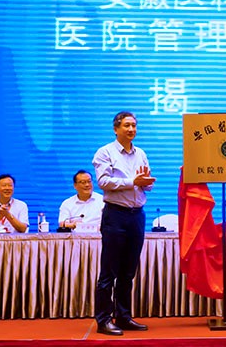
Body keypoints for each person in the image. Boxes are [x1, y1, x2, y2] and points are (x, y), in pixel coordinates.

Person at [92, 111, 155, 336]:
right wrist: (132, 182)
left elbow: (146, 185)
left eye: (134, 126)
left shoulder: (141, 153)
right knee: (109, 271)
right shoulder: (105, 152)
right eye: (127, 125)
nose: (131, 129)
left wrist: (146, 182)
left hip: (137, 215)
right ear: (116, 129)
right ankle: (103, 320)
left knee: (128, 271)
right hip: (115, 215)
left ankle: (124, 316)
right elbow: (103, 182)